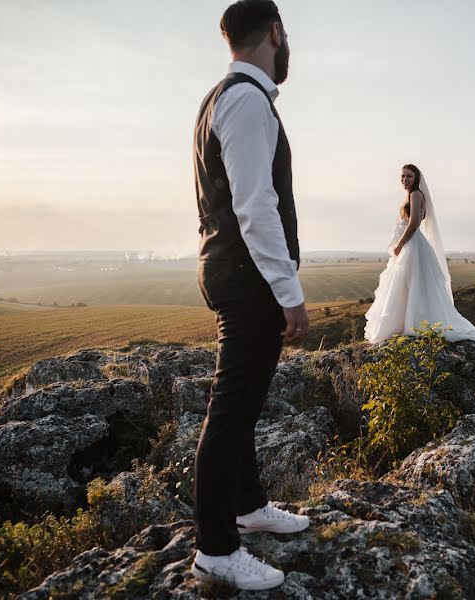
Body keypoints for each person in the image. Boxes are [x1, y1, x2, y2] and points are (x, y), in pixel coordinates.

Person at [190, 0, 309, 591]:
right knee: (231, 409)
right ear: (276, 33)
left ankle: (249, 506)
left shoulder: (220, 97)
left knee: (243, 403)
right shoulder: (246, 100)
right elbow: (255, 206)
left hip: (231, 270)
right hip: (250, 278)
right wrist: (289, 291)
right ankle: (215, 548)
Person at [364, 164, 475, 353]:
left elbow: (412, 225)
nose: (404, 179)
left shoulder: (415, 195)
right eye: (402, 176)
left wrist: (399, 245)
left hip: (412, 245)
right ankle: (407, 322)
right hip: (413, 245)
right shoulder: (412, 195)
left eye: (409, 176)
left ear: (416, 178)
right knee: (407, 284)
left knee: (411, 283)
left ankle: (413, 323)